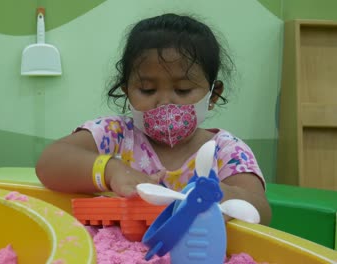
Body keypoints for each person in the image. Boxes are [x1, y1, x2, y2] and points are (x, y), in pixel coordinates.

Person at [36, 13, 271, 225]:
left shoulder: (225, 151)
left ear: (213, 94)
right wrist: (111, 170)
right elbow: (49, 163)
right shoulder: (115, 135)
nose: (165, 102)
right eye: (148, 90)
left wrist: (223, 196)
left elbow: (261, 211)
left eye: (183, 90)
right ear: (127, 91)